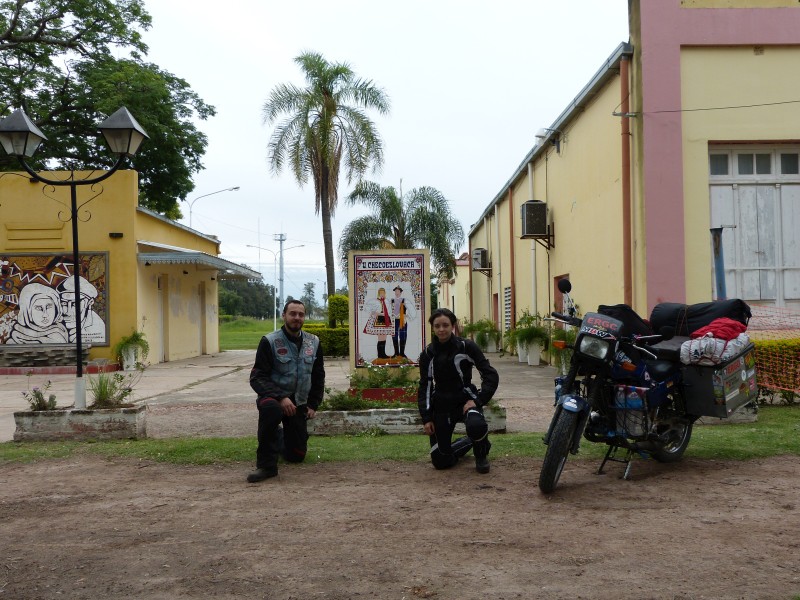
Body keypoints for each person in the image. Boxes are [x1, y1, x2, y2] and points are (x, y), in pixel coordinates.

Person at [247, 299, 325, 483]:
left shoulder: (313, 342)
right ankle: (266, 466)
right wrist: (280, 397)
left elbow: (318, 375)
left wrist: (313, 403)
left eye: (300, 314)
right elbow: (257, 377)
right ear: (284, 316)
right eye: (292, 314)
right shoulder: (270, 341)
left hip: (298, 402)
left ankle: (278, 435)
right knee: (271, 410)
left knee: (296, 455)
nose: (297, 318)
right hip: (273, 398)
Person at [417, 308, 499, 474]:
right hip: (441, 404)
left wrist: (477, 400)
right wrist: (426, 418)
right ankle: (471, 441)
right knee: (440, 461)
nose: (441, 329)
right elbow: (425, 386)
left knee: (476, 424)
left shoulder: (466, 347)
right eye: (437, 326)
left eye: (445, 325)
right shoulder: (428, 354)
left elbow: (490, 375)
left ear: (453, 326)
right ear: (432, 327)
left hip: (465, 400)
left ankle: (481, 453)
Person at [57, 276, 106, 344]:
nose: (68, 312)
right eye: (64, 303)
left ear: (90, 303)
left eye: (75, 304)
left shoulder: (97, 328)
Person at [362, 287, 394, 359]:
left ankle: (383, 354)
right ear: (379, 293)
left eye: (383, 293)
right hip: (378, 319)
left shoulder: (386, 301)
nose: (382, 294)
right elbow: (366, 308)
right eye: (381, 293)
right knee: (380, 337)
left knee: (384, 337)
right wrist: (375, 313)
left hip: (386, 319)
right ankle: (380, 354)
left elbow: (389, 311)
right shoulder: (374, 301)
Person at [389, 285, 416, 358]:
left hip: (402, 320)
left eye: (398, 291)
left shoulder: (405, 300)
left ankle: (402, 353)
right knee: (394, 336)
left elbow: (411, 309)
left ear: (400, 292)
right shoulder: (392, 300)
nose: (397, 292)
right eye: (396, 291)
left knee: (403, 336)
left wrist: (407, 315)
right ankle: (396, 353)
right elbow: (388, 310)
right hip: (394, 320)